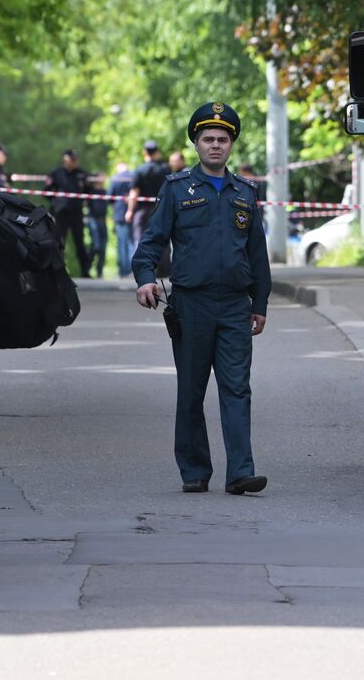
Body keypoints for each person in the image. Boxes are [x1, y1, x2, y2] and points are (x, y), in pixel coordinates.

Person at [133, 102, 271, 496]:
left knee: (237, 388)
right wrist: (145, 279)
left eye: (222, 139)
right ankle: (194, 470)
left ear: (231, 145)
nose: (215, 145)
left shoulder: (245, 192)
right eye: (208, 139)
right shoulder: (177, 189)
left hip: (233, 307)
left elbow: (257, 255)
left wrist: (259, 304)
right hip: (191, 306)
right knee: (191, 390)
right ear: (196, 143)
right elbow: (151, 244)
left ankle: (241, 472)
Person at [127, 140, 170, 278]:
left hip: (142, 210)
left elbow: (134, 191)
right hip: (160, 209)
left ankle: (140, 270)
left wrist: (130, 210)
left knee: (139, 239)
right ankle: (164, 271)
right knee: (162, 239)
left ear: (144, 153)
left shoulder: (140, 170)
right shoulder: (164, 169)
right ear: (157, 152)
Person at [46, 149, 91, 277]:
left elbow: (88, 191)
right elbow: (47, 190)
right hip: (61, 214)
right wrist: (57, 202)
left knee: (80, 242)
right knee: (59, 241)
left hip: (76, 213)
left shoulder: (81, 174)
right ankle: (57, 270)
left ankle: (85, 271)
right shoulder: (56, 173)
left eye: (73, 160)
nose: (70, 163)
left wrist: (84, 201)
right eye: (68, 160)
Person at [108, 162, 136, 278]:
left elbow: (109, 197)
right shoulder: (133, 176)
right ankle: (132, 271)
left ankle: (123, 271)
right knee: (132, 243)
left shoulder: (115, 178)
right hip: (133, 212)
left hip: (120, 214)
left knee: (122, 243)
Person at [86, 174, 108, 279]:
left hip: (103, 221)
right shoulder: (90, 191)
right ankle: (87, 268)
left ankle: (99, 272)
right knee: (96, 246)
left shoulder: (105, 191)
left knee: (103, 249)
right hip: (93, 220)